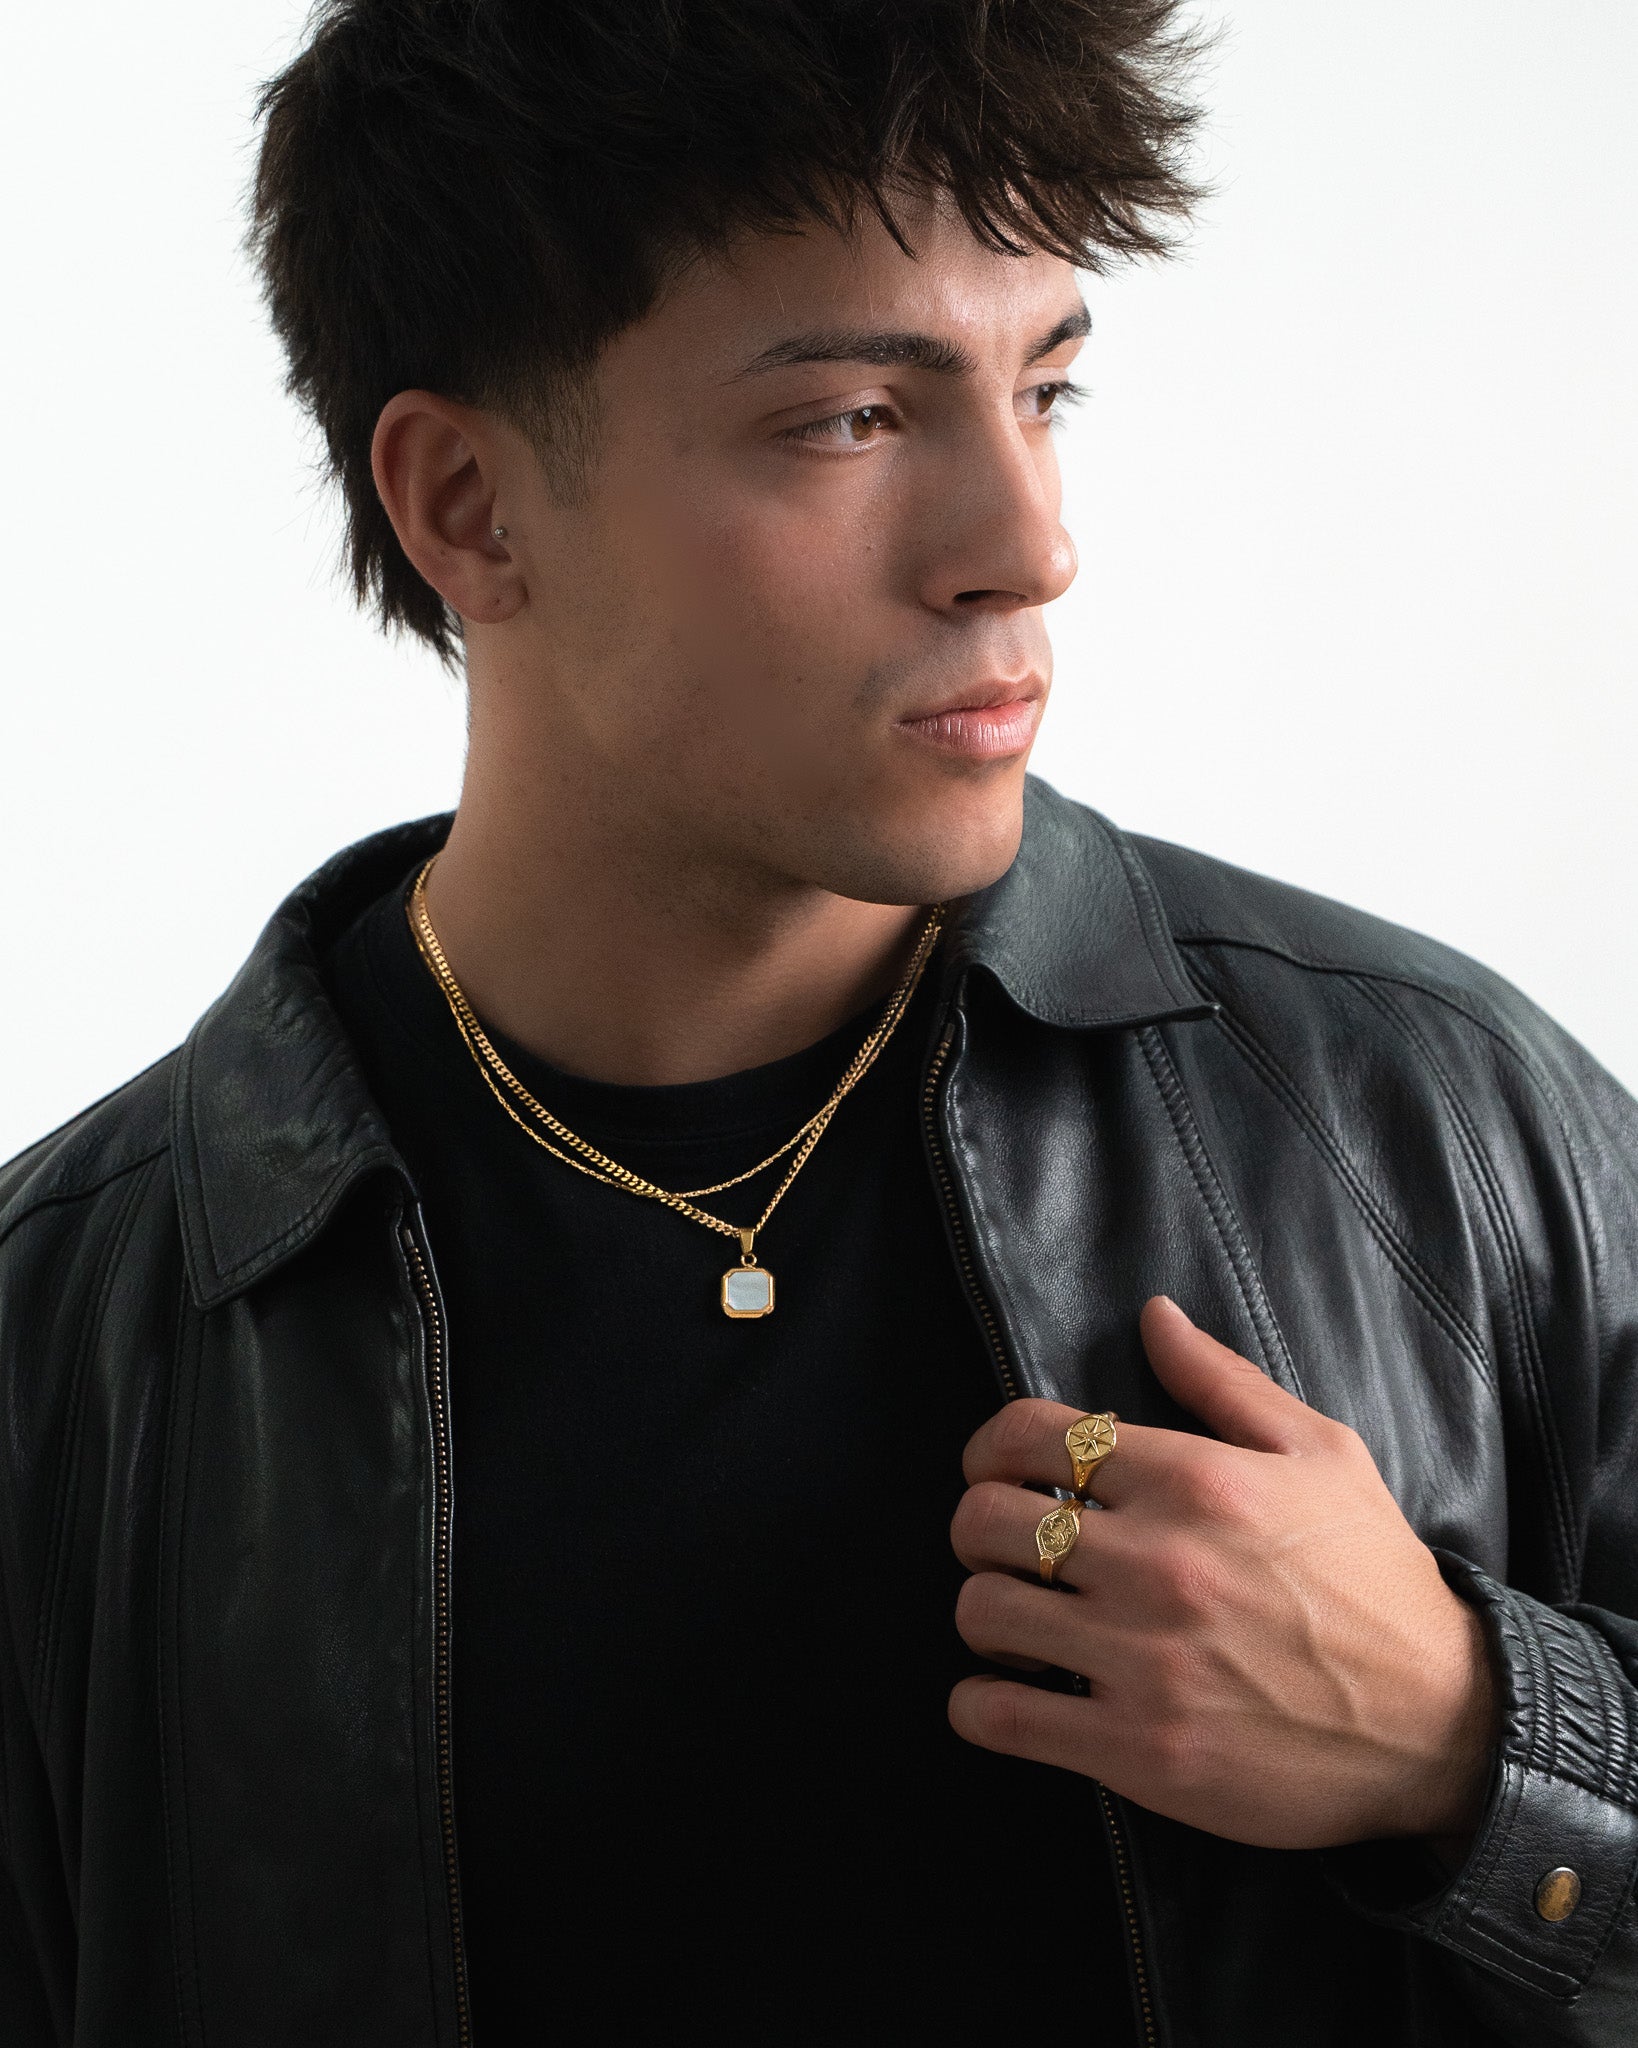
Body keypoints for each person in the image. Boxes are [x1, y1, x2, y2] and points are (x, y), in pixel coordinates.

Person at [1, 1, 1634, 2041]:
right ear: (469, 505)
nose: (1026, 547)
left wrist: (1478, 1745)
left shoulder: (1440, 1129)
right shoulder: (68, 1341)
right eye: (853, 417)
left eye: (1045, 387)